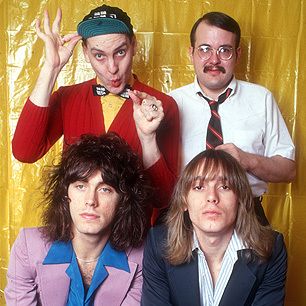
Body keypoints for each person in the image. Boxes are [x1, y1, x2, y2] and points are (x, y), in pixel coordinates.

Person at [12, 4, 180, 223]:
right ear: (84, 53)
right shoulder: (68, 98)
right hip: (78, 238)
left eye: (120, 52)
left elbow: (163, 197)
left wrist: (147, 138)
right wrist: (51, 68)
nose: (112, 67)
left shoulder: (162, 106)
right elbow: (25, 152)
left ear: (134, 46)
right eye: (99, 55)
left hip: (132, 244)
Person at [170, 11, 295, 224]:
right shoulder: (171, 103)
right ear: (191, 53)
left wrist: (247, 160)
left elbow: (288, 170)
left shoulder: (261, 98)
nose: (214, 60)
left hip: (247, 216)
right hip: (185, 218)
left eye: (224, 51)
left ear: (237, 54)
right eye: (205, 49)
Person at [5, 132, 151, 305]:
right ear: (66, 194)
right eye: (81, 186)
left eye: (105, 189)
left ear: (123, 200)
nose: (91, 200)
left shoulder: (142, 259)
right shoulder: (28, 247)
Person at [141, 149, 287, 306]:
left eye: (224, 187)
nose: (212, 197)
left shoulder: (272, 248)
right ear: (184, 200)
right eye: (199, 187)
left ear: (240, 199)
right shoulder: (158, 243)